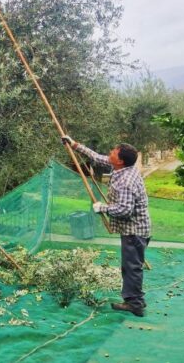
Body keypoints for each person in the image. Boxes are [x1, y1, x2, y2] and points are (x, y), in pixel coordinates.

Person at [62, 135, 151, 317]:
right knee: (132, 266)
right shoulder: (123, 168)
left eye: (113, 152)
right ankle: (137, 300)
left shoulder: (126, 181)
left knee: (131, 267)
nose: (109, 153)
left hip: (134, 231)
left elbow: (125, 210)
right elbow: (97, 157)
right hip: (135, 230)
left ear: (119, 160)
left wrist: (101, 207)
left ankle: (134, 304)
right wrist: (75, 145)